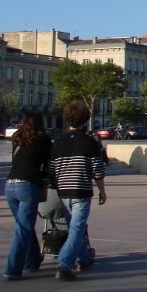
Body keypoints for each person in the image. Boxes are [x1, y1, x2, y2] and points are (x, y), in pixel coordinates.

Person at [49, 101, 107, 281]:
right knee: (76, 229)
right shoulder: (89, 142)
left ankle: (86, 258)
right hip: (81, 191)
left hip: (63, 191)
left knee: (76, 228)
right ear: (85, 119)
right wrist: (102, 191)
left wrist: (56, 186)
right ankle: (64, 265)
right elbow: (97, 170)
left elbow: (52, 170)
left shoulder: (58, 142)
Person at [3, 112, 52, 280]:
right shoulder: (44, 140)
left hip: (9, 185)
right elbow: (47, 166)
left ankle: (32, 260)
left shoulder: (17, 138)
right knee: (23, 229)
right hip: (27, 185)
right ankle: (12, 269)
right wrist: (46, 184)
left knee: (24, 225)